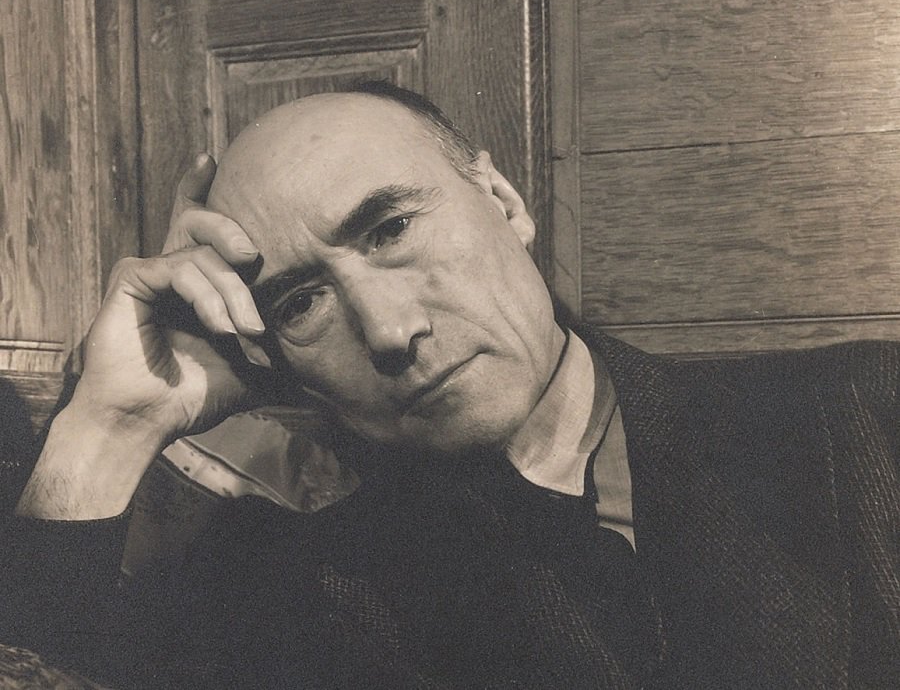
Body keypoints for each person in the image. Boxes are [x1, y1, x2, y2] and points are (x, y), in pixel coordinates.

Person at [1, 82, 897, 688]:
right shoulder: (292, 593)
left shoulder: (865, 417)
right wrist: (108, 426)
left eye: (390, 229)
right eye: (301, 301)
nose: (390, 332)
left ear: (503, 202)